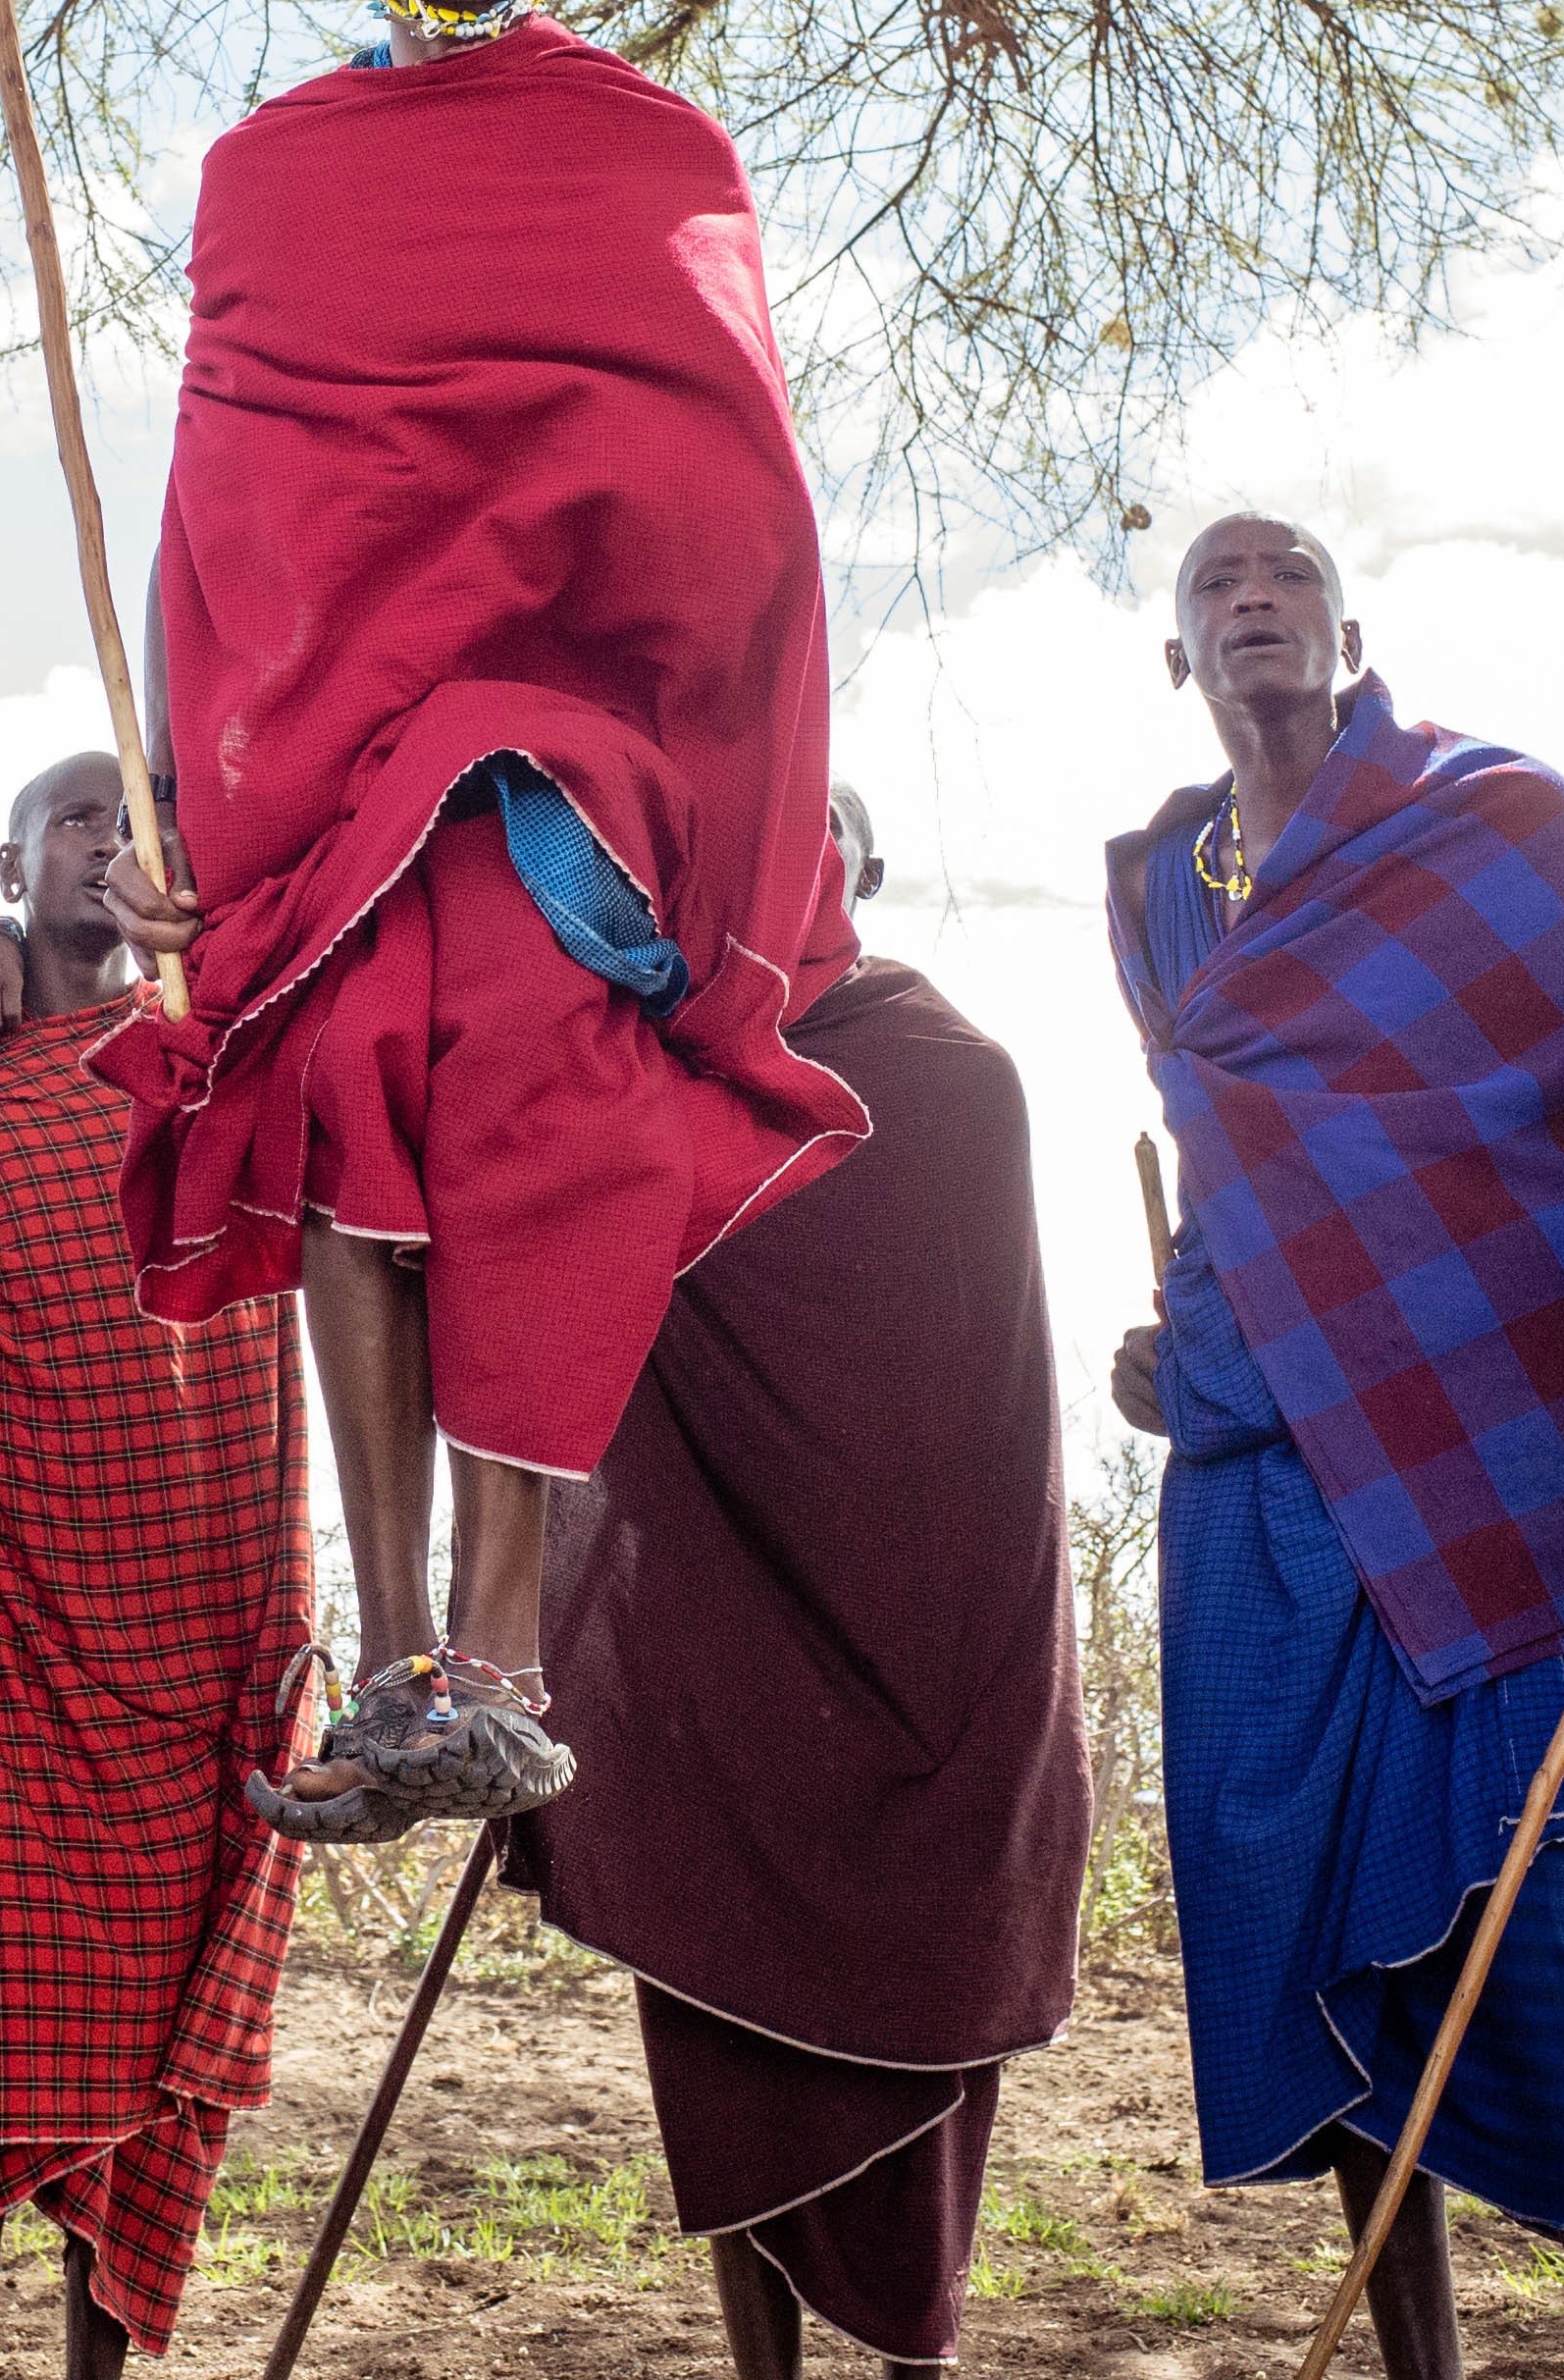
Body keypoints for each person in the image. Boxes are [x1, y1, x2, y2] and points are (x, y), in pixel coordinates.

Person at [99, 0, 863, 1840]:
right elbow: (228, 510)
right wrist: (189, 797)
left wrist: (724, 746)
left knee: (536, 1097)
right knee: (342, 1084)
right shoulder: (270, 171)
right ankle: (386, 1661)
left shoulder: (651, 150)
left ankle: (496, 1652)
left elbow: (730, 491)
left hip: (568, 753)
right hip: (341, 757)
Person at [1100, 519, 1564, 2380]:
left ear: (1356, 632)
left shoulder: (1495, 825)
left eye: (1284, 576)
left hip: (1472, 1458)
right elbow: (1243, 1165)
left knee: (1517, 1936)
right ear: (1179, 655)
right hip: (1256, 1468)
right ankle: (1417, 2366)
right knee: (1313, 1926)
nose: (1249, 599)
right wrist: (1184, 1329)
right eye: (1214, 587)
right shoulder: (1153, 889)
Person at [504, 781, 1083, 2377]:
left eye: (820, 830)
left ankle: (910, 2359)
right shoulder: (642, 1074)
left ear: (867, 873)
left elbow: (968, 1388)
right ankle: (761, 2359)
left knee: (918, 1991)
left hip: (929, 1626)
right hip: (705, 1620)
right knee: (709, 1988)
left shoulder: (956, 1080)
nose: (783, 856)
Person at [0, 749, 311, 2380]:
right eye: (74, 819)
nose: (108, 839)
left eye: (132, 819)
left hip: (207, 1607)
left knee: (158, 2046)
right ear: (11, 859)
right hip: (5, 1632)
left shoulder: (217, 1037)